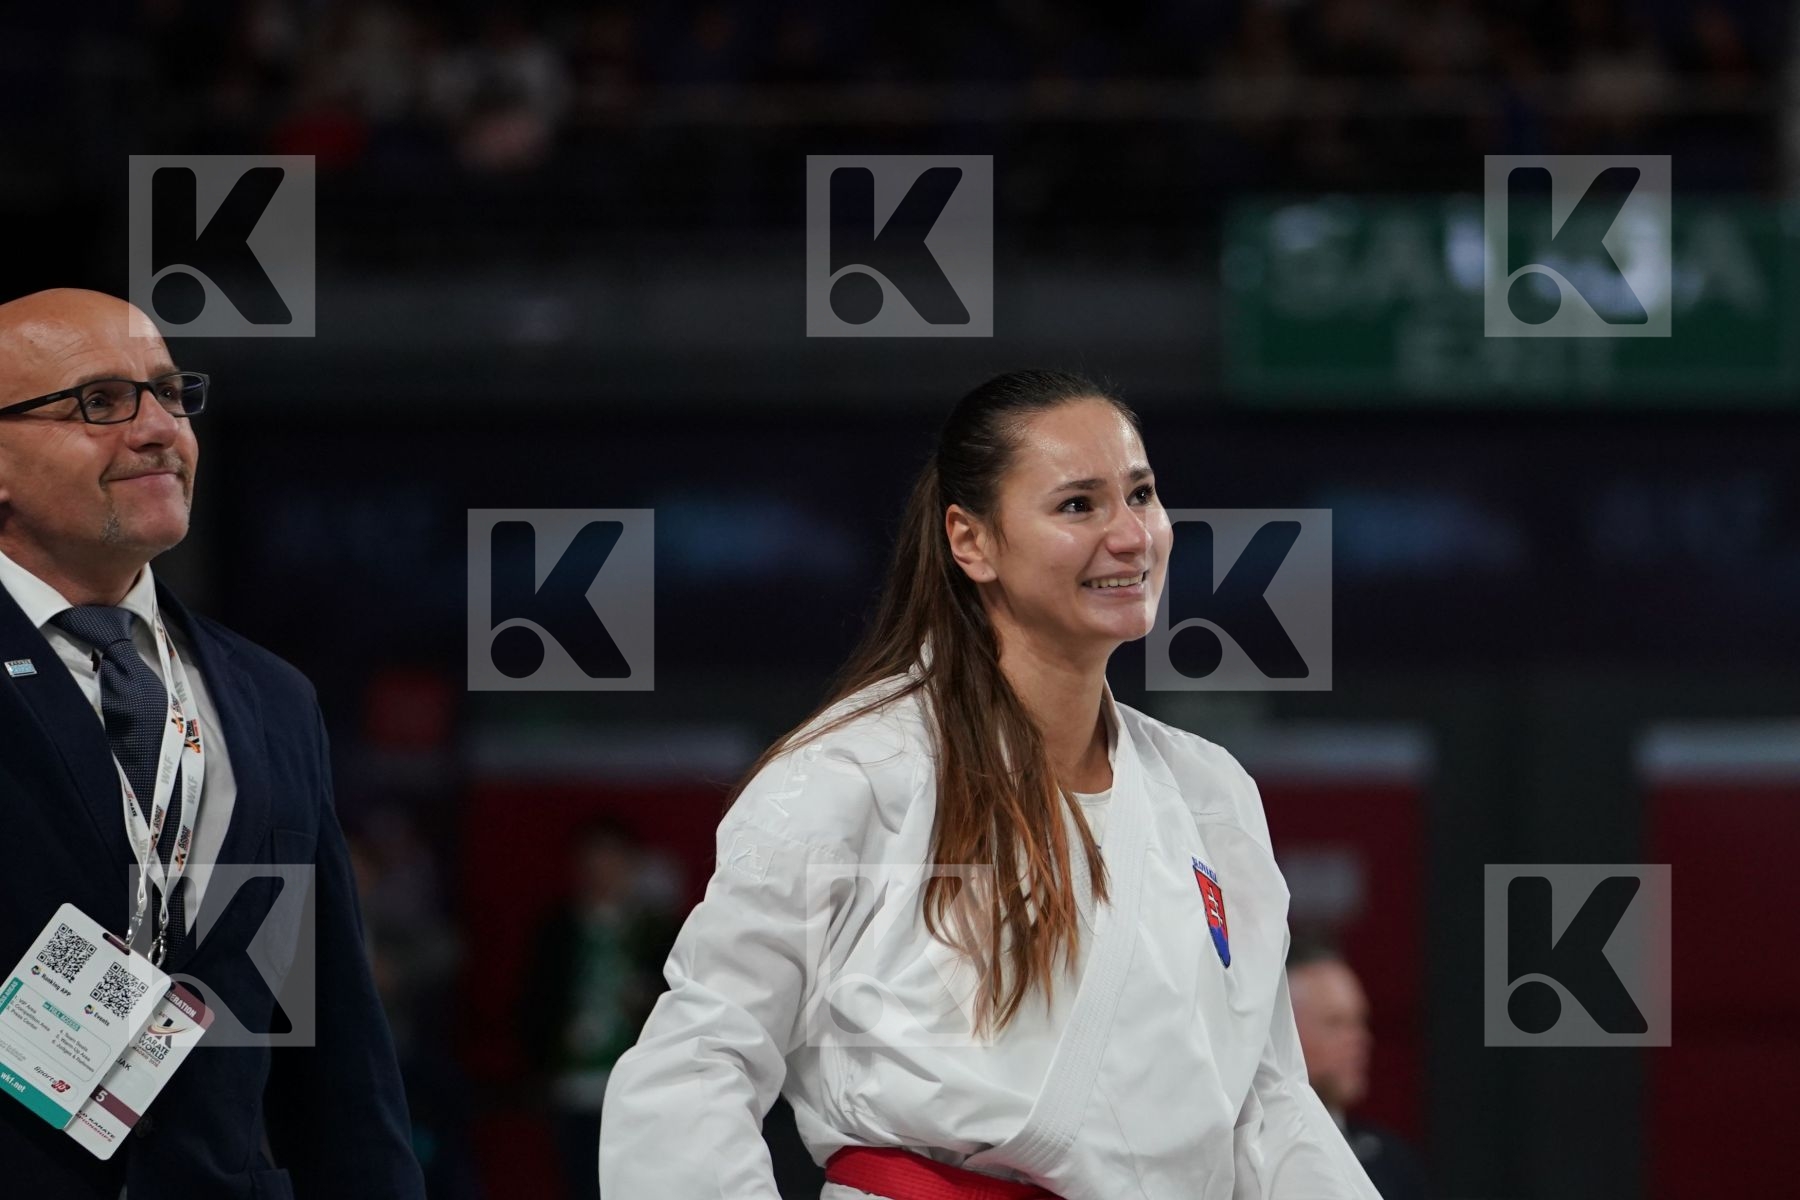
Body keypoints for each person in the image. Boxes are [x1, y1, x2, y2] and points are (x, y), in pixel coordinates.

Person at [599, 370, 1379, 1198]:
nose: (1130, 535)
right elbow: (699, 1060)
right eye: (1077, 505)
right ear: (971, 542)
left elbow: (1267, 1105)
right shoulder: (855, 774)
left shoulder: (1209, 792)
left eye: (1141, 495)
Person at [0, 289, 426, 1198]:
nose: (160, 429)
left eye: (169, 393)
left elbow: (331, 1040)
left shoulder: (272, 699)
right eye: (100, 403)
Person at [1286, 939, 1430, 1200]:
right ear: (1286, 1034)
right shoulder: (1246, 1155)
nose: (1359, 1040)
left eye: (1359, 1022)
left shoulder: (1391, 1163)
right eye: (1335, 1023)